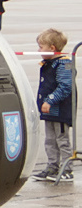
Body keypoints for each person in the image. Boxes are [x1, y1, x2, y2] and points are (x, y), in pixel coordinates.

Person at [34, 28, 74, 183]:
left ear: (52, 48)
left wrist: (49, 100)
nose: (38, 50)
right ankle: (52, 166)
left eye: (41, 47)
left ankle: (67, 169)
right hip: (49, 111)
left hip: (60, 111)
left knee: (62, 140)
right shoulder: (49, 63)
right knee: (50, 140)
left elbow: (65, 87)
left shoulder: (64, 64)